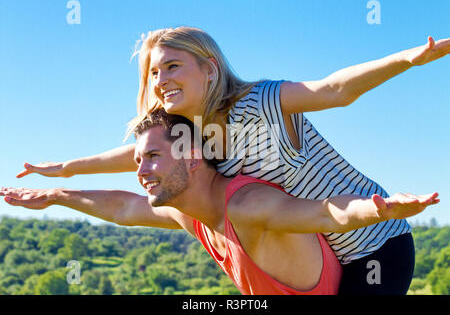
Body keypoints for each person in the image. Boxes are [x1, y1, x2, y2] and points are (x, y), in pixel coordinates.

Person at [15, 27, 450, 294]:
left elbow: (334, 90)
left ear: (208, 68)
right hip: (323, 249)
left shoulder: (261, 101)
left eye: (171, 66)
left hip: (377, 241)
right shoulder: (193, 135)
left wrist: (409, 58)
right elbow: (137, 158)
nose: (160, 80)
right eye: (154, 73)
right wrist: (64, 170)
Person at [1, 110, 440, 295]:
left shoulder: (247, 205)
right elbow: (123, 209)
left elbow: (322, 211)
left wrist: (379, 208)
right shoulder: (190, 211)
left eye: (153, 156)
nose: (141, 170)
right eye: (138, 159)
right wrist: (57, 194)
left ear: (193, 156)